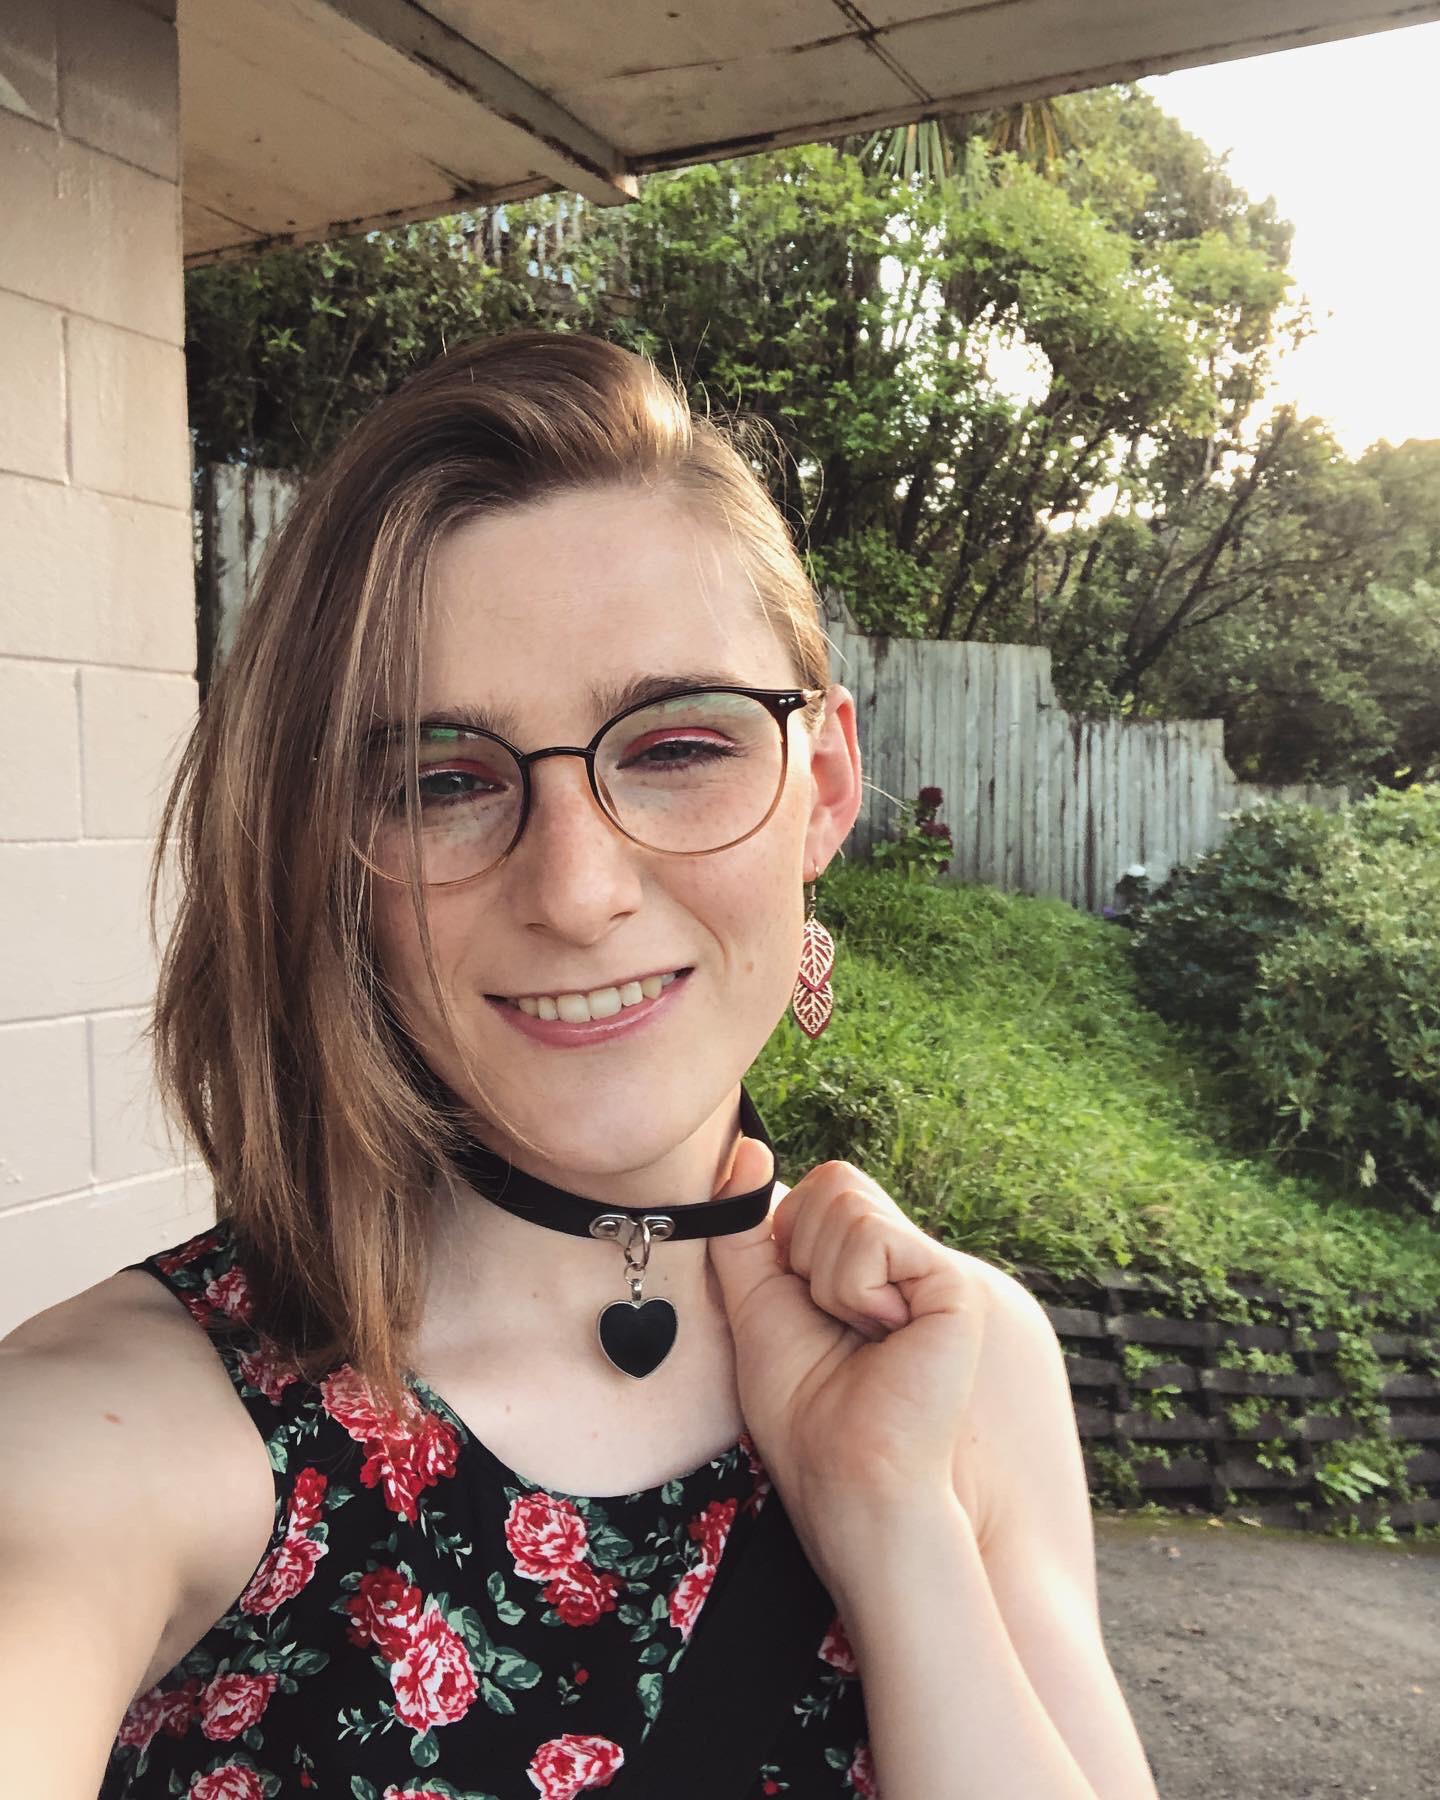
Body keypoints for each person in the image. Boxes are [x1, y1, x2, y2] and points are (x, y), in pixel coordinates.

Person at [0, 331, 1158, 1800]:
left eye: (677, 748)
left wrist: (893, 1523)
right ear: (330, 859)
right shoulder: (118, 1435)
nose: (577, 890)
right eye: (441, 781)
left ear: (826, 785)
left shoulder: (962, 1366)